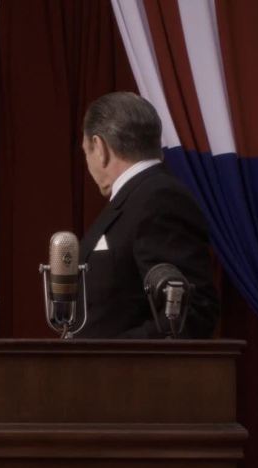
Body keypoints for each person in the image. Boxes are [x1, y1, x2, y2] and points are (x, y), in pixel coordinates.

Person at [76, 91, 218, 339]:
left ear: (99, 148)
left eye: (86, 151)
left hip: (125, 365)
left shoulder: (159, 198)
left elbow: (190, 313)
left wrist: (106, 354)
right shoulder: (139, 197)